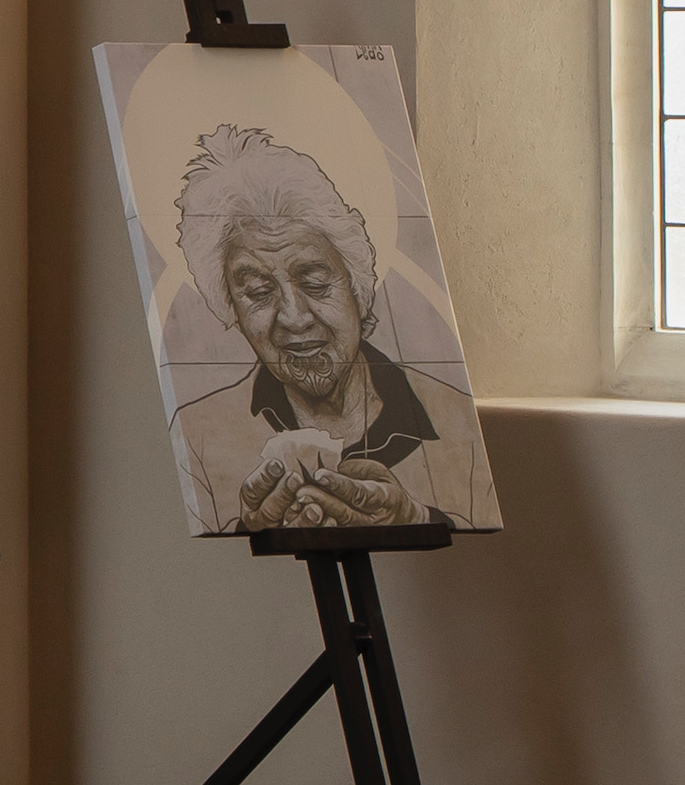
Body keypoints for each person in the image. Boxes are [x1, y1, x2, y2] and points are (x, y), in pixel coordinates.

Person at [167, 124, 494, 532]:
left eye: (315, 283)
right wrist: (253, 534)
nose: (294, 317)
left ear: (357, 286)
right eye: (257, 292)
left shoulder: (453, 422)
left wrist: (418, 520)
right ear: (231, 306)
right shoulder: (198, 437)